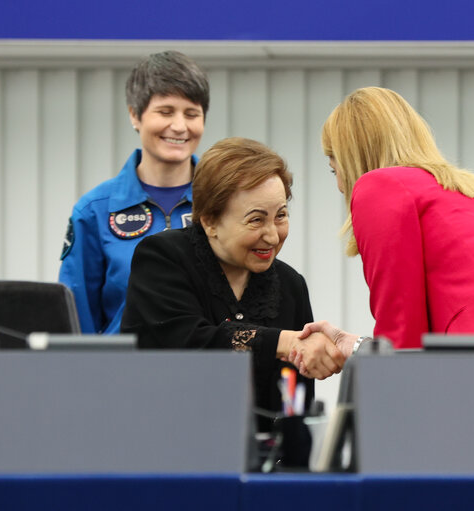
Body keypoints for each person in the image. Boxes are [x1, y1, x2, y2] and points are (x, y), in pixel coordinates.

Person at [297, 86, 474, 357]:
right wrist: (360, 346)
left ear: (352, 161)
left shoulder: (379, 186)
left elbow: (402, 336)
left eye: (334, 169)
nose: (339, 185)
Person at [121, 137, 346, 429]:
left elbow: (296, 403)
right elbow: (189, 343)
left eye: (281, 216)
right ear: (209, 221)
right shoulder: (163, 259)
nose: (272, 235)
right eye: (255, 220)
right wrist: (285, 341)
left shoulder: (290, 286)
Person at [58, 50, 209, 334]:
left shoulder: (225, 202)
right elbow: (76, 324)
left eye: (192, 114)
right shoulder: (94, 211)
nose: (179, 126)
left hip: (208, 372)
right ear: (134, 115)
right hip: (120, 375)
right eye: (165, 111)